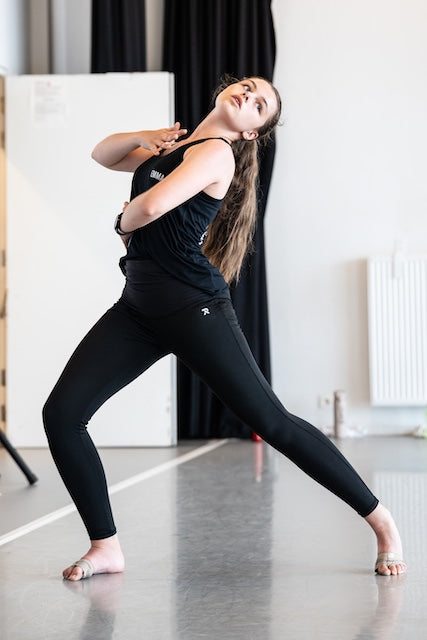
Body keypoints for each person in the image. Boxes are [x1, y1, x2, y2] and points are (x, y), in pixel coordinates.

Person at [43, 76, 406, 581]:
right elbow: (103, 154)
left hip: (194, 307)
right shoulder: (178, 147)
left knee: (273, 422)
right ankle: (105, 546)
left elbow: (147, 209)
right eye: (248, 88)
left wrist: (121, 223)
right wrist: (145, 136)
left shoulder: (215, 153)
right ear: (228, 88)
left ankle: (383, 522)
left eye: (259, 105)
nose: (248, 96)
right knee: (62, 414)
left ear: (252, 132)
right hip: (138, 309)